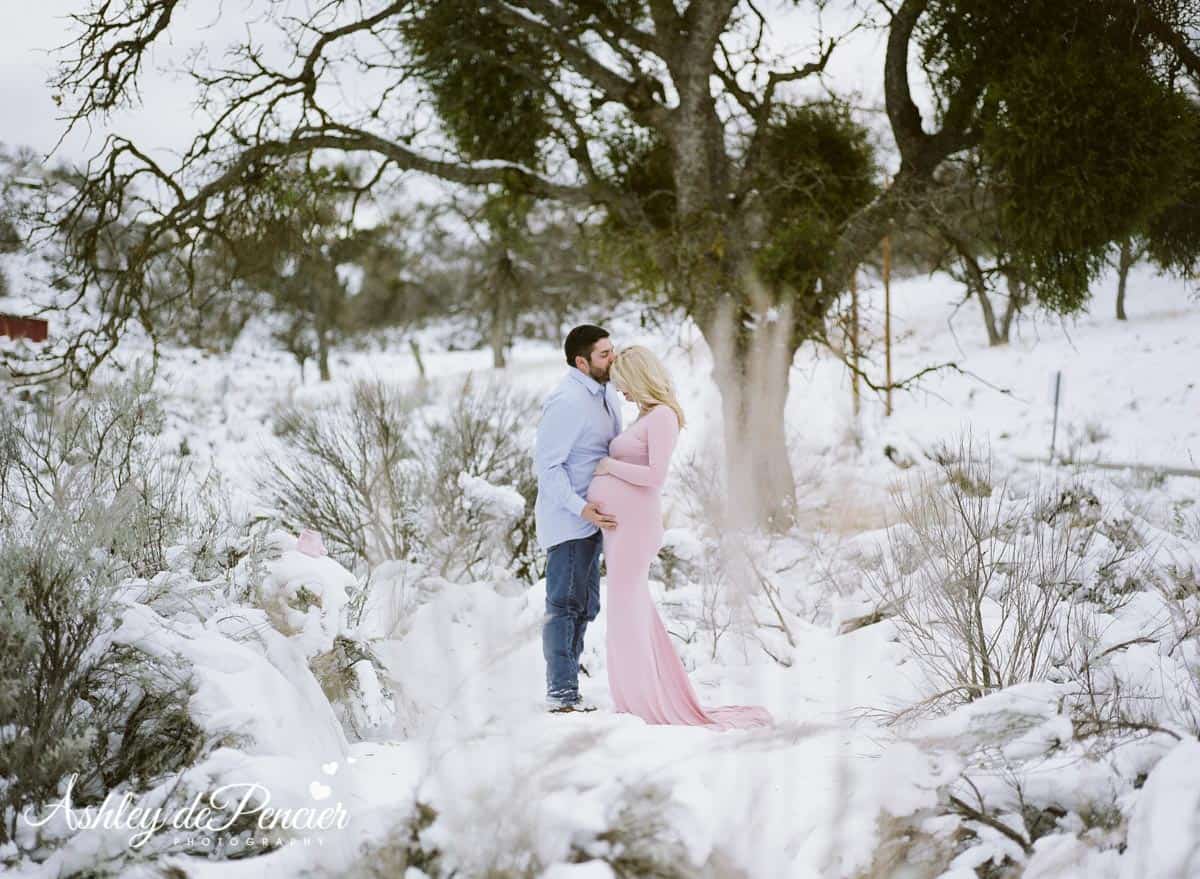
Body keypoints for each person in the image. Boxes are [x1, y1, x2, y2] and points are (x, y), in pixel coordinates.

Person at [588, 346, 774, 731]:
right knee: (628, 609)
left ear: (640, 378)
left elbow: (655, 477)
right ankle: (638, 693)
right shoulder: (645, 415)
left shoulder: (663, 417)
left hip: (637, 528)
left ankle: (645, 700)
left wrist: (608, 466)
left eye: (624, 385)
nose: (621, 393)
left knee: (627, 608)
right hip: (622, 528)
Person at [533, 325, 621, 713]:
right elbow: (547, 468)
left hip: (594, 521)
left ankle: (570, 687)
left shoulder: (606, 393)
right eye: (604, 354)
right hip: (569, 520)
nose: (612, 358)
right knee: (564, 605)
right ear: (581, 361)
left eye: (612, 350)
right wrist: (580, 507)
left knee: (586, 607)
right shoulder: (566, 401)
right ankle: (561, 693)